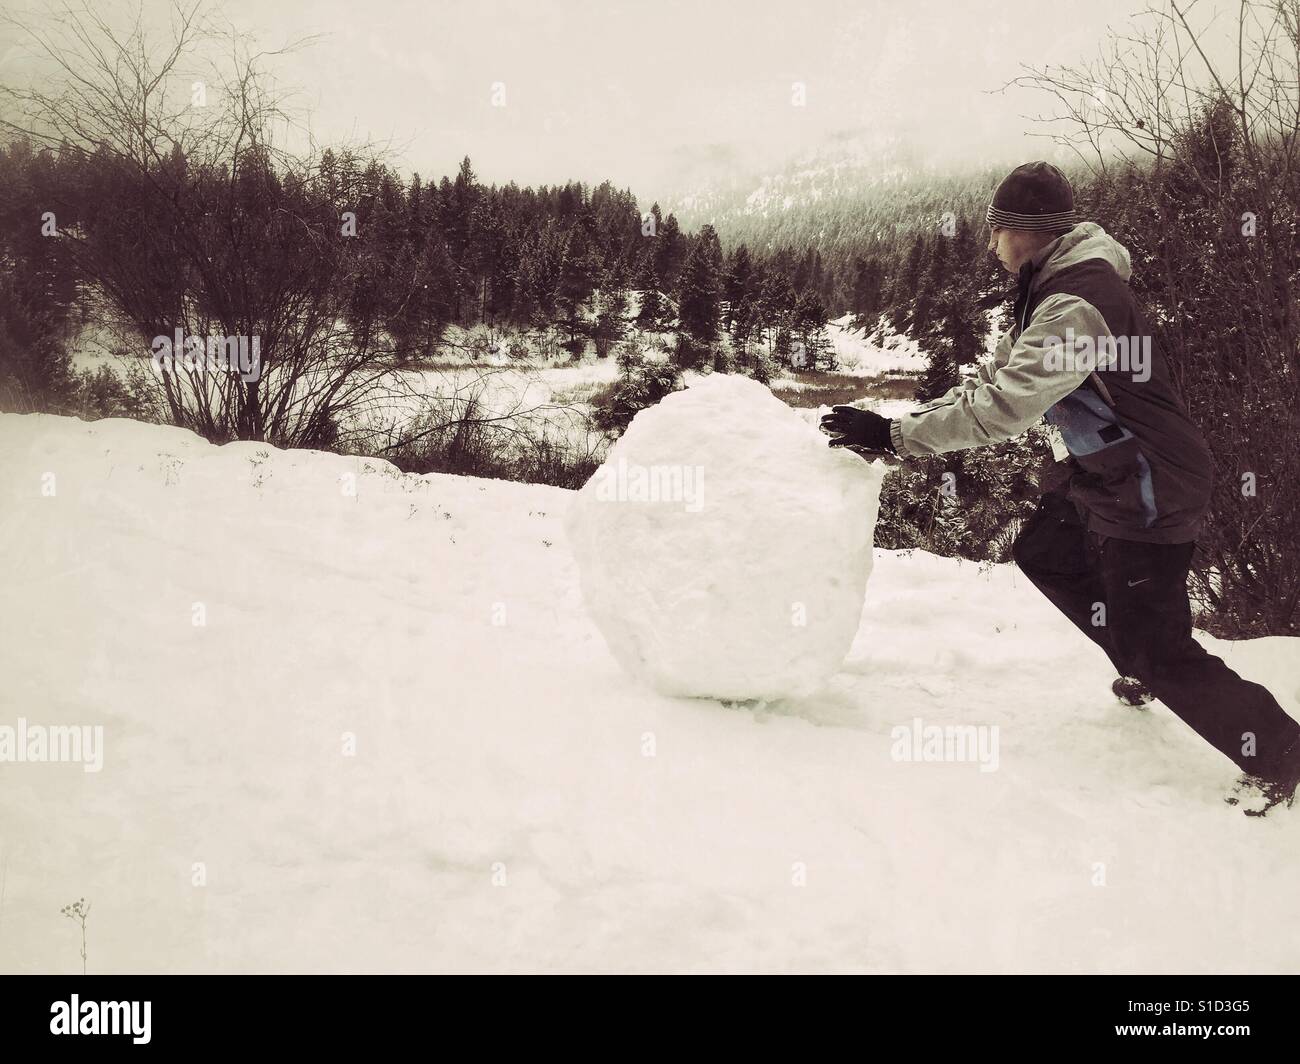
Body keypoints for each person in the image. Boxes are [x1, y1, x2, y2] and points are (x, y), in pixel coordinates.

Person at [820, 161, 1300, 816]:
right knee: (1047, 548)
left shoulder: (1074, 304)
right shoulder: (1061, 290)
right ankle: (1135, 652)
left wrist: (898, 437)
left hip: (1148, 482)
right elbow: (997, 384)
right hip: (1114, 474)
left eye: (996, 234)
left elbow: (1009, 406)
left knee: (1157, 643)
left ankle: (1276, 749)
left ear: (1023, 233)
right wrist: (903, 430)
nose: (992, 248)